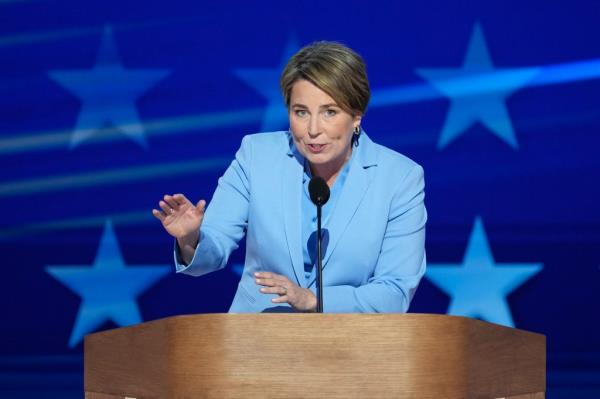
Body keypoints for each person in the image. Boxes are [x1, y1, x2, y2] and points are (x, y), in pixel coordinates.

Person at [152, 41, 427, 313]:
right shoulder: (257, 156)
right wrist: (190, 239)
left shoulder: (400, 179)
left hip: (348, 345)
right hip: (257, 340)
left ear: (357, 115)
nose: (313, 129)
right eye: (301, 112)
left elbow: (395, 292)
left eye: (330, 112)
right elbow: (211, 254)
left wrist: (313, 299)